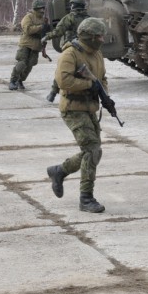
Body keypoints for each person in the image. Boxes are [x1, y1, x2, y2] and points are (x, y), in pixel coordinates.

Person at [46, 17, 109, 213]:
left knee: (94, 151)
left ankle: (60, 171)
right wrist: (89, 85)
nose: (102, 39)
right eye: (99, 36)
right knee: (91, 150)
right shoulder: (70, 54)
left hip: (89, 108)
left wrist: (104, 93)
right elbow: (64, 81)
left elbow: (102, 77)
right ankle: (86, 198)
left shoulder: (97, 54)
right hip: (73, 108)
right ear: (89, 37)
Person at [42, 0, 90, 102]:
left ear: (73, 5)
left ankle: (53, 94)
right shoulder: (89, 19)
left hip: (71, 49)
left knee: (62, 70)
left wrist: (46, 36)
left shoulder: (69, 17)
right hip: (86, 50)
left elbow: (58, 31)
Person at [9, 0, 50, 90]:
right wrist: (41, 27)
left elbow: (44, 34)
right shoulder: (28, 17)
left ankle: (20, 80)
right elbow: (27, 29)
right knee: (22, 63)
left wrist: (48, 30)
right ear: (35, 8)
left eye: (43, 8)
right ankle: (13, 81)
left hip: (36, 45)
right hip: (26, 44)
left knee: (31, 64)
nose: (42, 10)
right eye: (40, 8)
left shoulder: (44, 19)